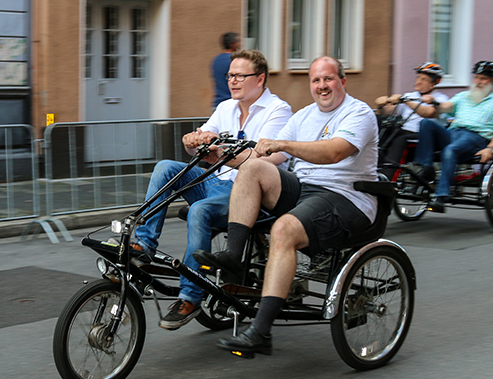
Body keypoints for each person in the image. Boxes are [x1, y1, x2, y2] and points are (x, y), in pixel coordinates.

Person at [196, 56, 378, 357]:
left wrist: (284, 145)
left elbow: (334, 152)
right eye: (316, 80)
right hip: (306, 189)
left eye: (328, 79)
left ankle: (260, 332)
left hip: (346, 195)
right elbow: (261, 155)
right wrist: (216, 155)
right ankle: (232, 255)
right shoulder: (304, 116)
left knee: (283, 229)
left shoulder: (359, 113)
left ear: (342, 81)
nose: (322, 86)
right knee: (252, 169)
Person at [133, 48, 292, 330]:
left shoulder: (278, 111)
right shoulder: (226, 107)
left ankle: (190, 297)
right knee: (165, 168)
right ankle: (144, 244)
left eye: (240, 76)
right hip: (216, 183)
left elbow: (268, 159)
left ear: (260, 78)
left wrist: (219, 154)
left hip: (248, 194)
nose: (232, 81)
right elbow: (201, 143)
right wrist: (193, 140)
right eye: (230, 75)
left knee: (199, 210)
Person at [409, 61, 493, 213]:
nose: (478, 81)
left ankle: (441, 196)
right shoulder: (464, 96)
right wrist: (434, 102)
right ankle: (425, 168)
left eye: (483, 78)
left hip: (476, 138)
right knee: (426, 123)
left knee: (450, 150)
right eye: (477, 77)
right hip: (454, 133)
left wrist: (490, 149)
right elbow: (446, 107)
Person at [374, 63, 449, 178]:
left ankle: (388, 177)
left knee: (400, 140)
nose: (419, 81)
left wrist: (405, 100)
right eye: (418, 77)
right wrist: (383, 102)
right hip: (405, 131)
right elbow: (389, 111)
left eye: (424, 79)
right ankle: (374, 167)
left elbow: (428, 113)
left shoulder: (440, 98)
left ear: (434, 83)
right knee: (382, 124)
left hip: (423, 136)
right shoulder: (411, 95)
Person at [210, 32, 241, 109]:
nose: (240, 44)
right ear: (232, 44)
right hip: (232, 104)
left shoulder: (215, 60)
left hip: (217, 104)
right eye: (238, 42)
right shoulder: (235, 60)